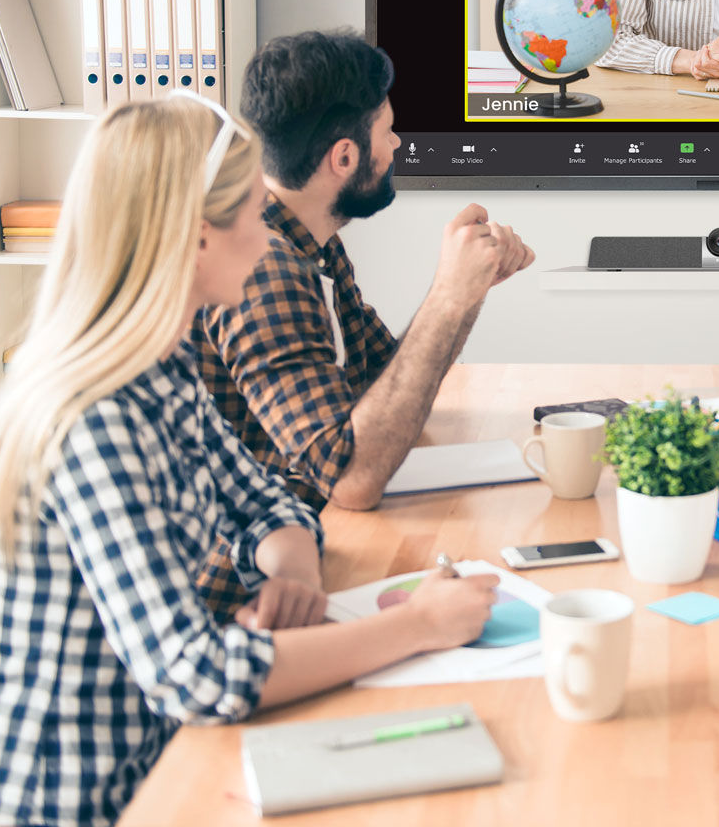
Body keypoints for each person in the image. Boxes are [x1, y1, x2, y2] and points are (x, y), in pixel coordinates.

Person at [0, 94, 501, 827]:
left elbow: (263, 501)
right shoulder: (96, 417)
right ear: (196, 238)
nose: (268, 238)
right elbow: (197, 676)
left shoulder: (161, 362)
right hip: (98, 801)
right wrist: (420, 625)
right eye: (250, 212)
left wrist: (295, 578)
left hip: (164, 758)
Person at [191, 30, 533, 619]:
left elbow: (387, 378)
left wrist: (470, 287)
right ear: (344, 158)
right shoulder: (268, 270)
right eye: (387, 132)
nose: (398, 143)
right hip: (249, 597)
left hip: (303, 549)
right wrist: (448, 298)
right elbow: (350, 478)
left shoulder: (314, 245)